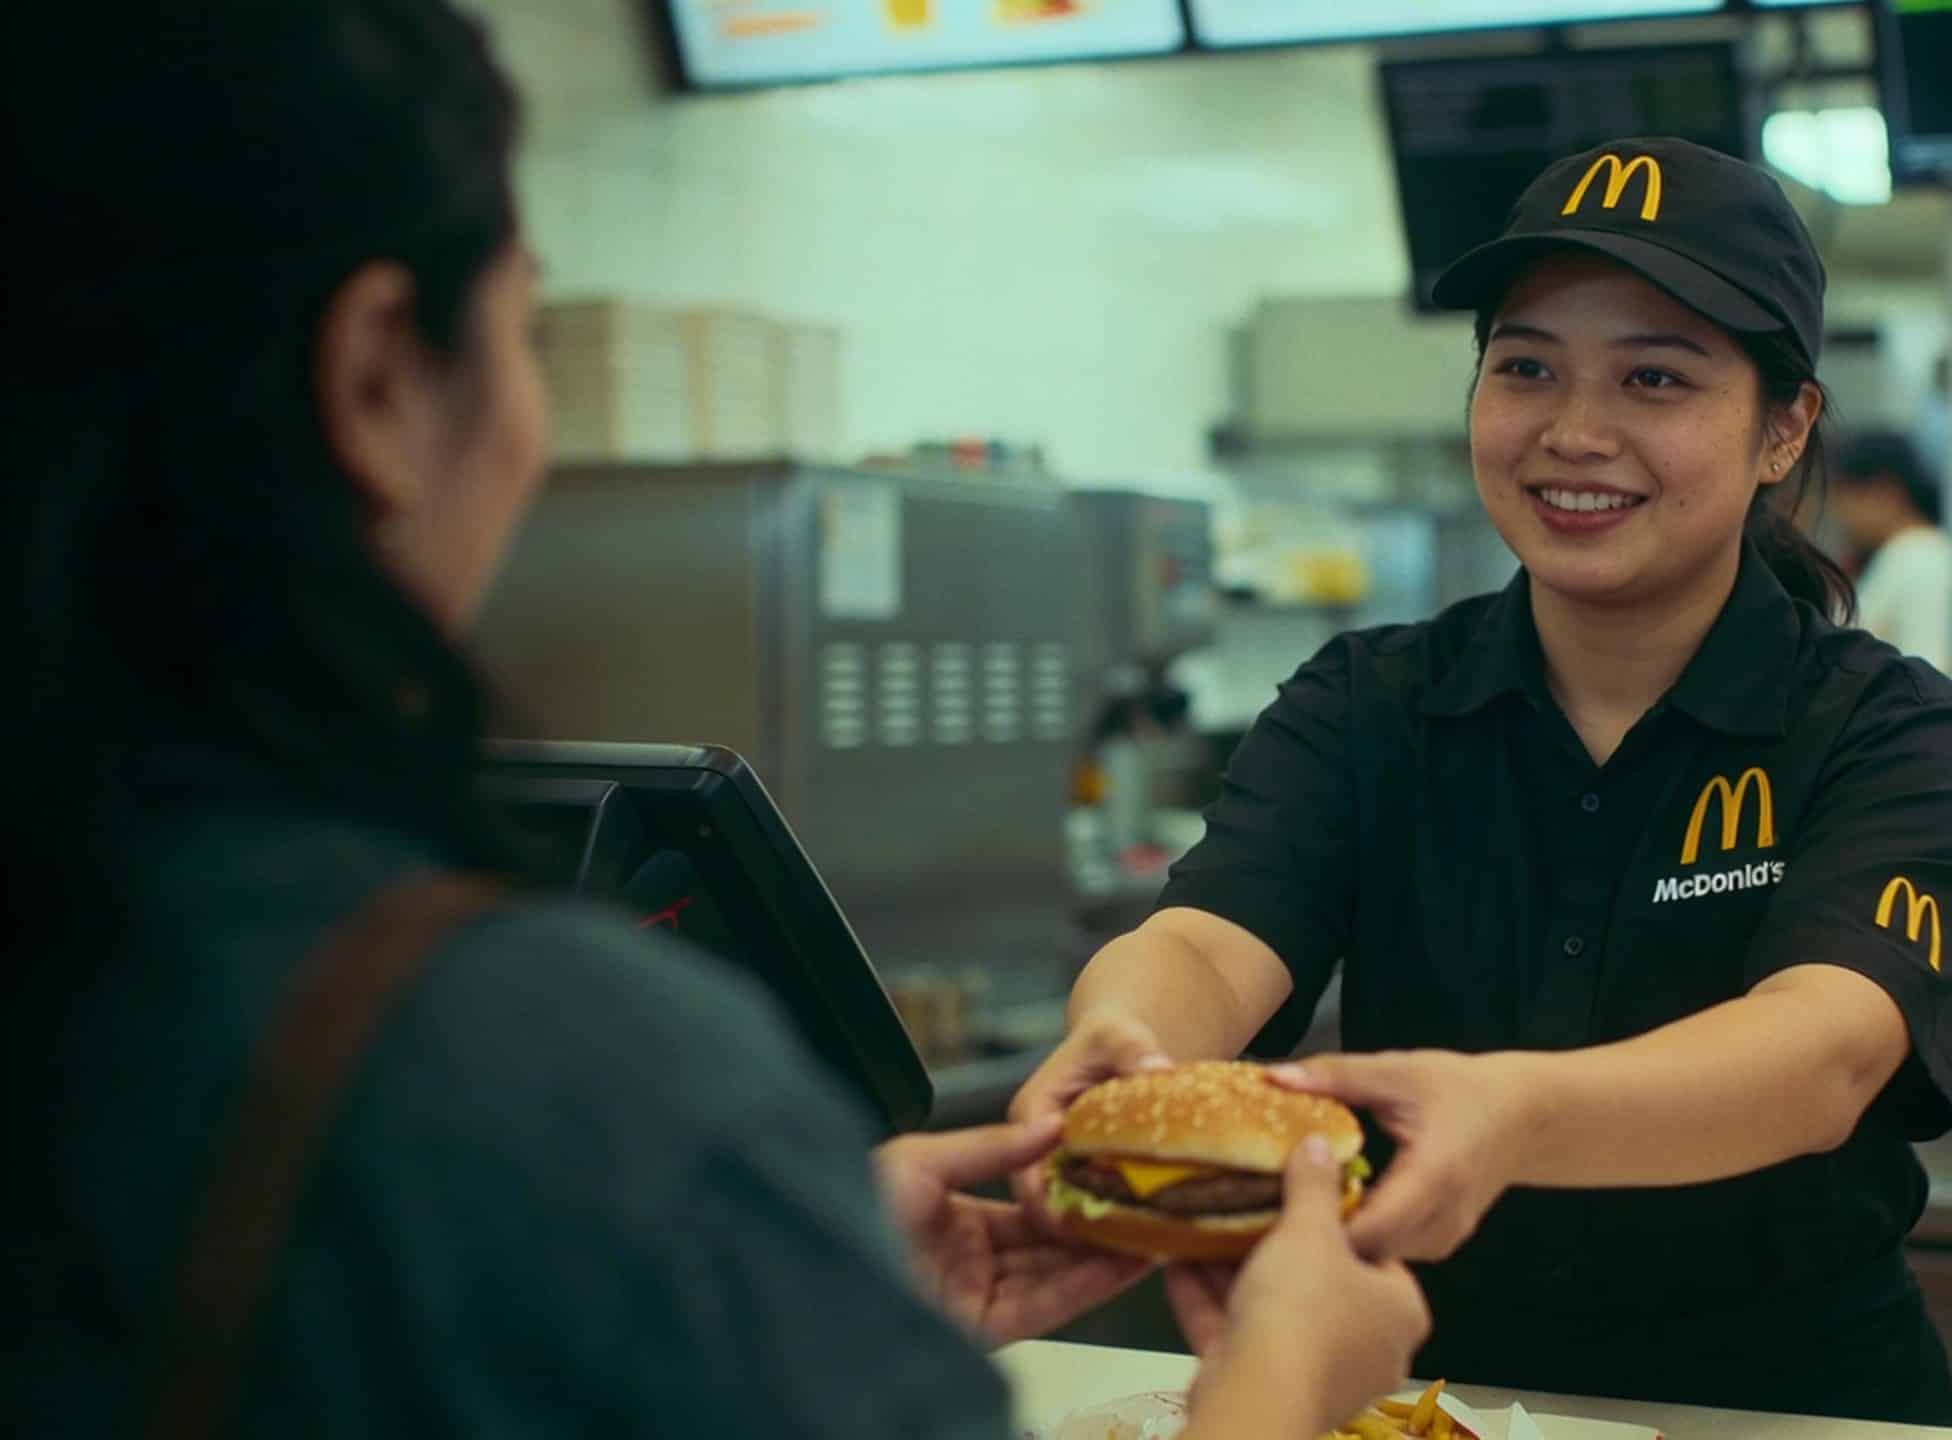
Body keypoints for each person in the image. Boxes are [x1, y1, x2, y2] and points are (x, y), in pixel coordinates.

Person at [0, 4, 1424, 1437]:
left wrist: (776, 1282)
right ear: (377, 377)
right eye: (522, 324)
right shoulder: (548, 1070)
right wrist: (1285, 1387)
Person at [1014, 139, 1952, 1424]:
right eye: (1526, 366)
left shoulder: (1885, 729)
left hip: (1780, 1406)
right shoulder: (1369, 704)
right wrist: (1127, 1041)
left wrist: (1508, 1112)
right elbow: (1210, 940)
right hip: (1434, 1397)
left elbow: (1820, 1056)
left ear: (1782, 428)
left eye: (1654, 376)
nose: (1573, 433)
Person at [1831, 430, 1952, 672]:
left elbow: (1928, 667)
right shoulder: (1901, 554)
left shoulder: (1921, 557)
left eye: (1846, 497)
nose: (1840, 513)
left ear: (1884, 491)